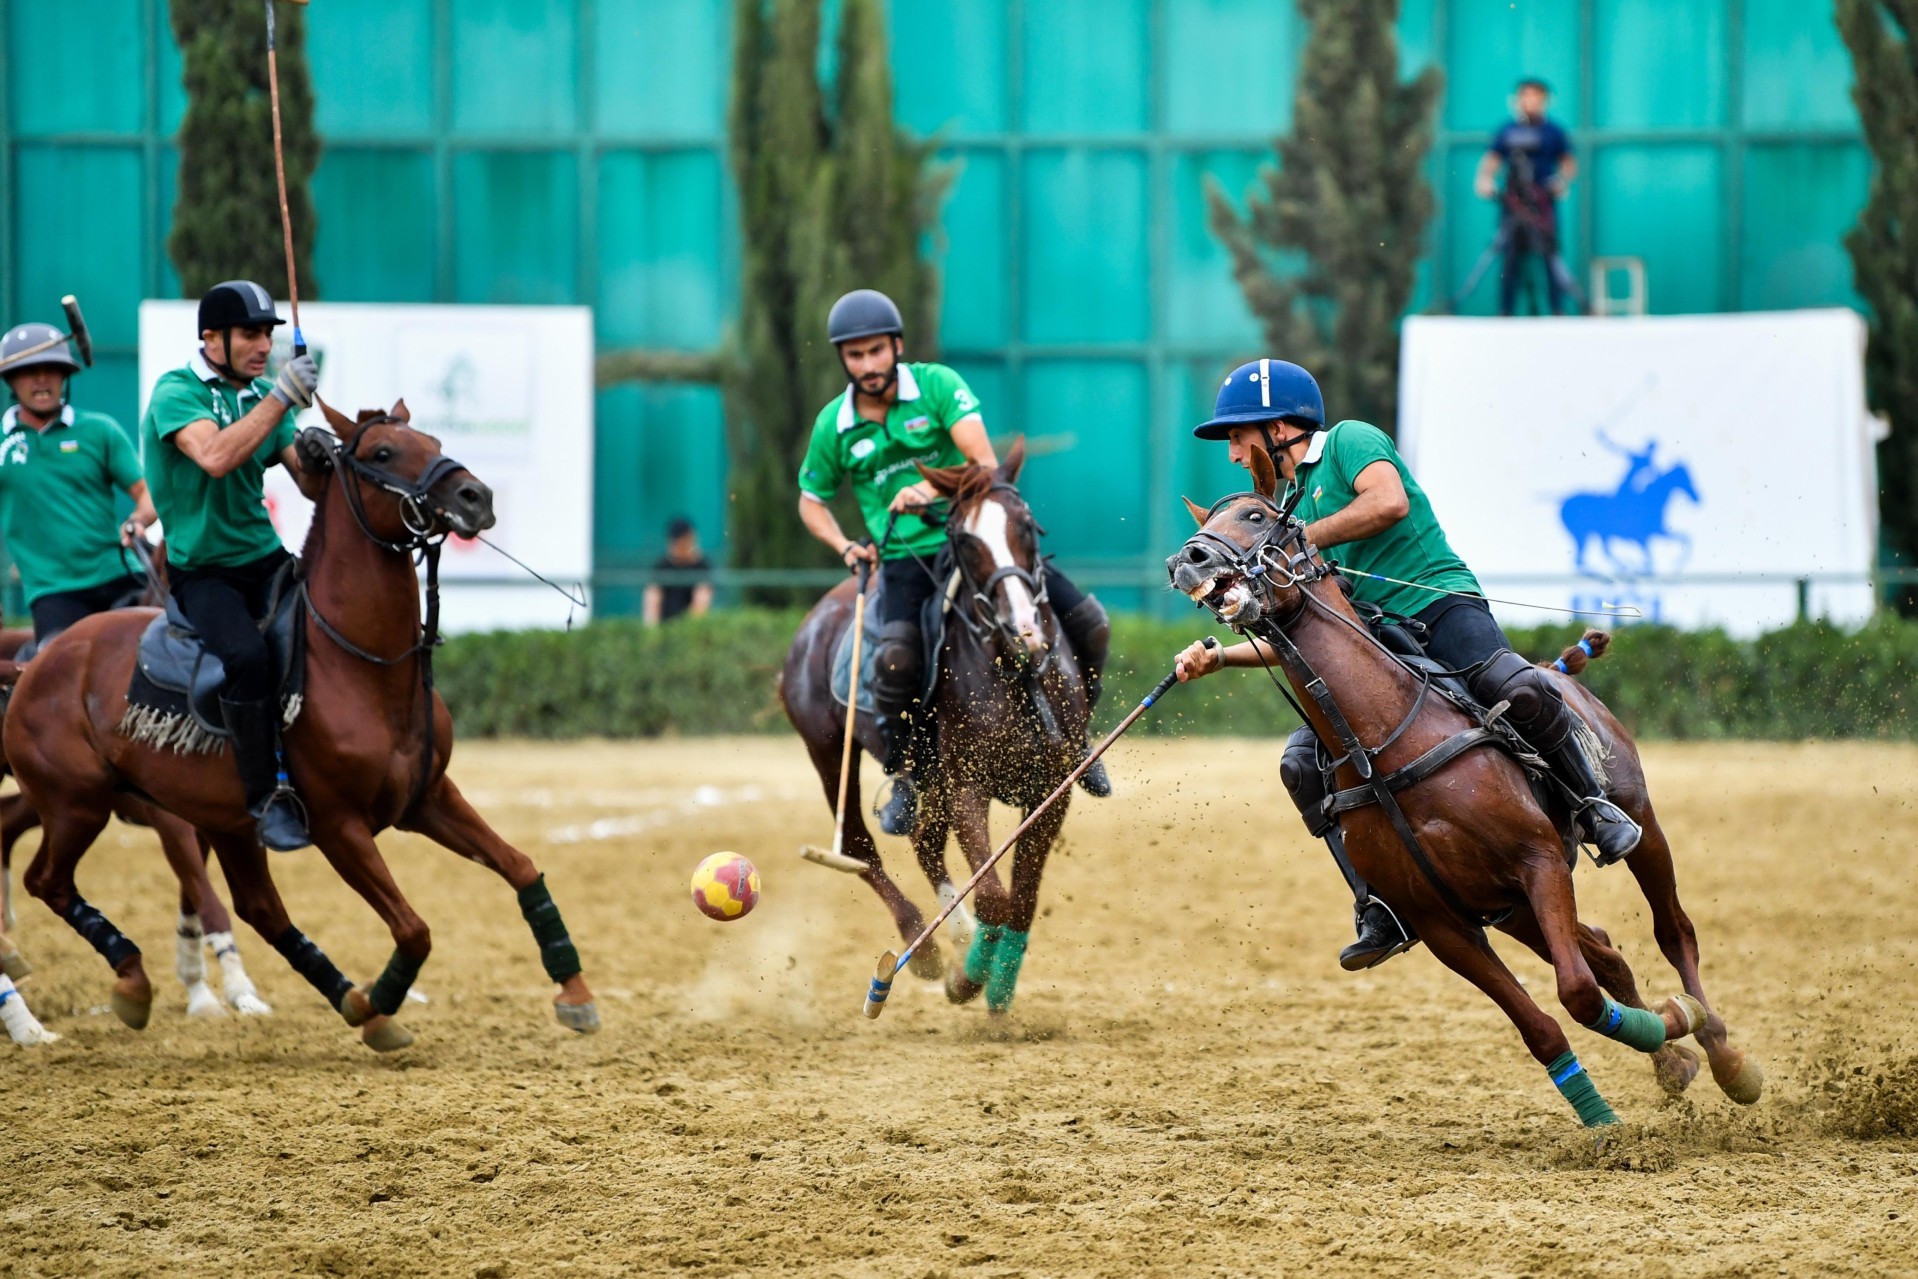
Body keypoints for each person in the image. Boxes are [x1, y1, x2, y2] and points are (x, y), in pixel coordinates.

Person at [1173, 359, 1642, 970]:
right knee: (1301, 765)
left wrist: (1302, 538)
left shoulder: (1348, 442)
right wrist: (1220, 657)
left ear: (1278, 426)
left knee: (1516, 687)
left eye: (1237, 437)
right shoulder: (1282, 503)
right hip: (1370, 637)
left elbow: (1388, 502)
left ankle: (1591, 807)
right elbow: (1313, 633)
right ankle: (1380, 905)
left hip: (1437, 601)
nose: (1234, 454)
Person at [795, 289, 1111, 836]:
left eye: (876, 351)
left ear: (895, 346)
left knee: (1089, 621)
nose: (868, 365)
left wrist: (924, 488)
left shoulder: (938, 387)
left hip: (971, 538)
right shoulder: (835, 425)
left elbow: (985, 462)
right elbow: (810, 499)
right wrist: (846, 545)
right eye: (855, 355)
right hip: (903, 559)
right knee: (895, 660)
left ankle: (1078, 734)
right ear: (843, 360)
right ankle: (909, 775)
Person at [140, 280, 326, 852]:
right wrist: (280, 401)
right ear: (211, 338)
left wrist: (322, 455)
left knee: (326, 632)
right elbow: (217, 456)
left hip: (266, 559)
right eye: (250, 334)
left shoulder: (263, 395)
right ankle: (264, 797)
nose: (263, 347)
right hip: (204, 574)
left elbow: (310, 484)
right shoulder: (176, 392)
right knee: (246, 658)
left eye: (268, 335)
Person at [0, 320, 157, 645]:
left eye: (52, 369)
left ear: (65, 376)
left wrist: (137, 520)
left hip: (119, 574)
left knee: (169, 653)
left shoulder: (100, 431)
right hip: (54, 591)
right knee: (56, 672)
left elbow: (146, 495)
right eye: (31, 371)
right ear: (12, 380)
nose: (42, 379)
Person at [1475, 78, 1578, 316]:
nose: (1530, 101)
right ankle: (1505, 312)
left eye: (1536, 97)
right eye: (1526, 96)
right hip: (1512, 204)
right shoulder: (1507, 130)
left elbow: (1568, 163)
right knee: (1508, 259)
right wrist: (1484, 181)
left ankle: (1557, 310)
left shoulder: (1554, 131)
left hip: (1543, 205)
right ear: (1518, 100)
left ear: (1544, 101)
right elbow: (1492, 160)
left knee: (1550, 258)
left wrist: (1561, 182)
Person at [643, 516, 712, 625]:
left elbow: (701, 603)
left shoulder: (701, 566)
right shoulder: (662, 566)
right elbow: (652, 600)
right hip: (664, 627)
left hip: (689, 629)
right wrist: (653, 632)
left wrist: (686, 630)